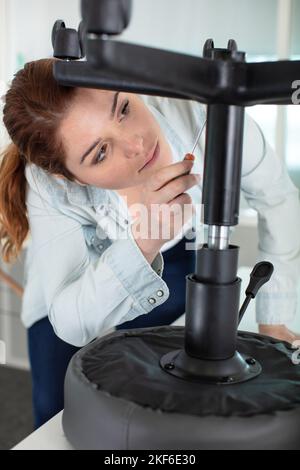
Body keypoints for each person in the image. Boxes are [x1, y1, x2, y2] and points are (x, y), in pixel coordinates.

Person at [0, 58, 299, 428]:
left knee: (159, 394)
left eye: (123, 108)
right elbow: (71, 322)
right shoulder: (51, 187)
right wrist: (143, 241)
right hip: (65, 295)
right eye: (101, 152)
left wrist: (274, 317)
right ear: (72, 178)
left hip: (175, 256)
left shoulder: (205, 115)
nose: (137, 144)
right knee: (58, 414)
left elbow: (278, 198)